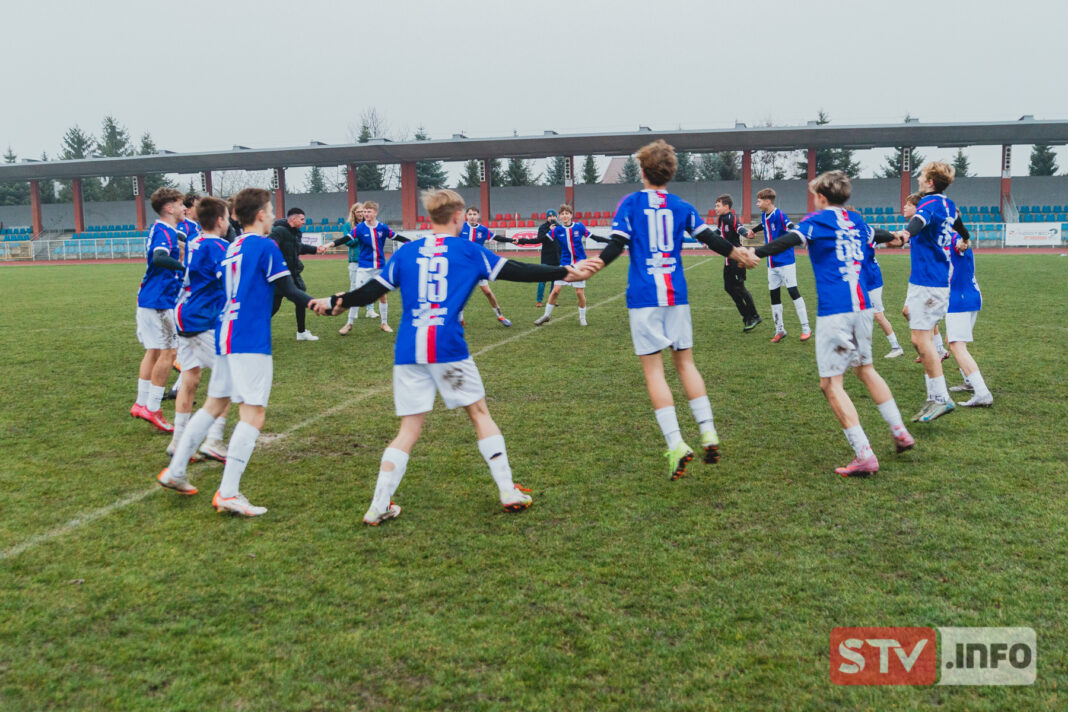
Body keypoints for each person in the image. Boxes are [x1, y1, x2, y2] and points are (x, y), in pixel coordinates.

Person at [309, 189, 591, 525]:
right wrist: (564, 271)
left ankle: (378, 504)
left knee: (408, 429)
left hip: (408, 349)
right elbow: (517, 270)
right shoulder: (469, 251)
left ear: (431, 218)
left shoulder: (407, 253)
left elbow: (370, 291)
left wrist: (337, 300)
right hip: (447, 347)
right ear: (458, 217)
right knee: (478, 413)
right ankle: (507, 490)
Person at [585, 140, 758, 478]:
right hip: (676, 295)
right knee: (686, 364)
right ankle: (707, 430)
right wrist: (739, 254)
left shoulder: (630, 203)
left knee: (654, 372)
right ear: (670, 171)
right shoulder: (681, 205)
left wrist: (594, 265)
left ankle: (676, 443)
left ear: (642, 169)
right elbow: (712, 239)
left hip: (644, 296)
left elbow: (616, 245)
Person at [158, 188, 316, 515]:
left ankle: (175, 470)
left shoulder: (233, 247)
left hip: (225, 333)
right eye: (271, 210)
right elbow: (288, 288)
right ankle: (228, 493)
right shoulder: (265, 245)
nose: (274, 216)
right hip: (250, 338)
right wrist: (319, 304)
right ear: (260, 215)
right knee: (253, 413)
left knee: (215, 404)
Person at [753, 171, 915, 476]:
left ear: (822, 197)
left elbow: (788, 240)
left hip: (835, 311)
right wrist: (897, 237)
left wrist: (755, 252)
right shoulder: (858, 222)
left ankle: (864, 454)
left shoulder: (816, 221)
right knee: (866, 370)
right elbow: (879, 234)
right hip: (863, 308)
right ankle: (900, 431)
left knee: (830, 384)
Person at [892, 163, 971, 422]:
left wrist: (904, 235)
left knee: (920, 340)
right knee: (921, 339)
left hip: (929, 281)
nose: (918, 177)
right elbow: (960, 225)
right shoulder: (948, 204)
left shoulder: (929, 203)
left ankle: (940, 398)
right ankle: (934, 397)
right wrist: (965, 237)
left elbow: (918, 221)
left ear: (930, 182)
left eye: (922, 175)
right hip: (931, 280)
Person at [167, 196, 232, 462]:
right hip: (201, 316)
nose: (229, 222)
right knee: (227, 377)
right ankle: (214, 439)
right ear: (219, 221)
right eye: (227, 218)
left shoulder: (194, 240)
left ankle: (178, 440)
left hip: (182, 310)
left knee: (190, 377)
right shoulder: (220, 246)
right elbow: (226, 279)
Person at [130, 187, 187, 432]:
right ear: (169, 208)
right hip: (159, 302)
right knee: (169, 353)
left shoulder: (168, 230)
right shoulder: (163, 230)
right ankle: (153, 408)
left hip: (152, 300)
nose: (185, 208)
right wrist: (186, 269)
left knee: (154, 352)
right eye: (181, 204)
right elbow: (159, 258)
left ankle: (141, 404)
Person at [322, 201, 407, 333]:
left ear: (375, 213)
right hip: (364, 266)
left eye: (368, 211)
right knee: (357, 293)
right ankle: (349, 323)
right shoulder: (360, 228)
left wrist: (413, 242)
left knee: (382, 296)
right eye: (364, 211)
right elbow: (344, 239)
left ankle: (384, 323)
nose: (365, 214)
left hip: (379, 266)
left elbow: (397, 237)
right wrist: (329, 245)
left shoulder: (383, 227)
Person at [749, 188, 810, 342]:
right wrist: (752, 231)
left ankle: (806, 327)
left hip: (786, 261)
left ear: (768, 201)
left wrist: (801, 236)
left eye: (759, 201)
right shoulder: (765, 215)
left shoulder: (779, 215)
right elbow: (763, 225)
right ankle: (780, 329)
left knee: (793, 292)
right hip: (772, 262)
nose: (757, 204)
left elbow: (790, 226)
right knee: (774, 296)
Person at [534, 205, 605, 326]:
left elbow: (595, 238)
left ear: (571, 215)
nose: (565, 215)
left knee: (579, 293)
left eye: (567, 213)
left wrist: (612, 241)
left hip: (579, 264)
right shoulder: (557, 230)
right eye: (562, 214)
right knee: (555, 291)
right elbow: (540, 240)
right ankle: (546, 315)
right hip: (564, 264)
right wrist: (521, 241)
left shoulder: (579, 227)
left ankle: (582, 318)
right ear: (560, 217)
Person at [945, 231, 993, 406]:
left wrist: (963, 242)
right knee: (952, 339)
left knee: (957, 345)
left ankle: (982, 392)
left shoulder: (952, 236)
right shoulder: (945, 235)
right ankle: (969, 381)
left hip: (961, 299)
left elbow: (962, 243)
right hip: (970, 296)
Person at [900, 193, 948, 363]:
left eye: (909, 204)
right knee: (908, 313)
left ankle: (936, 351)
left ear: (918, 208)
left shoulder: (924, 228)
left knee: (916, 317)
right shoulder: (915, 228)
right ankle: (938, 349)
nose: (904, 207)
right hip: (917, 279)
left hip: (929, 281)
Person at [459, 206, 515, 326]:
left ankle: (500, 316)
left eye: (474, 214)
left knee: (487, 292)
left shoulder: (482, 230)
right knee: (461, 292)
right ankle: (460, 319)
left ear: (478, 216)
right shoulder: (460, 227)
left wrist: (511, 240)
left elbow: (497, 237)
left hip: (478, 266)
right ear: (466, 216)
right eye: (470, 214)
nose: (472, 216)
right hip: (463, 266)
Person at [269, 207, 319, 341]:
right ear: (293, 219)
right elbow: (270, 247)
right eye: (302, 219)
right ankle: (252, 331)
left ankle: (301, 332)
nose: (304, 222)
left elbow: (299, 248)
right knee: (273, 308)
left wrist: (316, 249)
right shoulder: (279, 231)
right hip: (280, 277)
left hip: (294, 275)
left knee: (301, 301)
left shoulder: (296, 233)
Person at [714, 195, 762, 331]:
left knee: (739, 288)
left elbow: (740, 228)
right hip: (728, 259)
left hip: (738, 259)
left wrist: (747, 234)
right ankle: (747, 317)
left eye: (718, 205)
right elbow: (718, 232)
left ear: (726, 207)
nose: (715, 208)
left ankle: (754, 315)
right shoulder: (721, 220)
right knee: (728, 288)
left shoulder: (731, 218)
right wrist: (707, 238)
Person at [327, 202, 366, 334]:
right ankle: (353, 310)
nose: (361, 214)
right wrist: (359, 237)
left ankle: (370, 310)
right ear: (354, 213)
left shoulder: (369, 224)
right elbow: (348, 242)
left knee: (371, 285)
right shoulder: (348, 225)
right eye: (358, 212)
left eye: (362, 211)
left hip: (368, 260)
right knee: (354, 286)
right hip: (355, 260)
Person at [515, 209, 560, 306]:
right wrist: (550, 230)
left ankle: (552, 300)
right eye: (550, 216)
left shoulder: (559, 227)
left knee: (555, 281)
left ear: (556, 217)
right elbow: (540, 239)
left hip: (557, 256)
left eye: (553, 216)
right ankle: (539, 300)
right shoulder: (543, 227)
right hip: (546, 256)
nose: (552, 218)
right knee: (542, 279)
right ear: (547, 217)